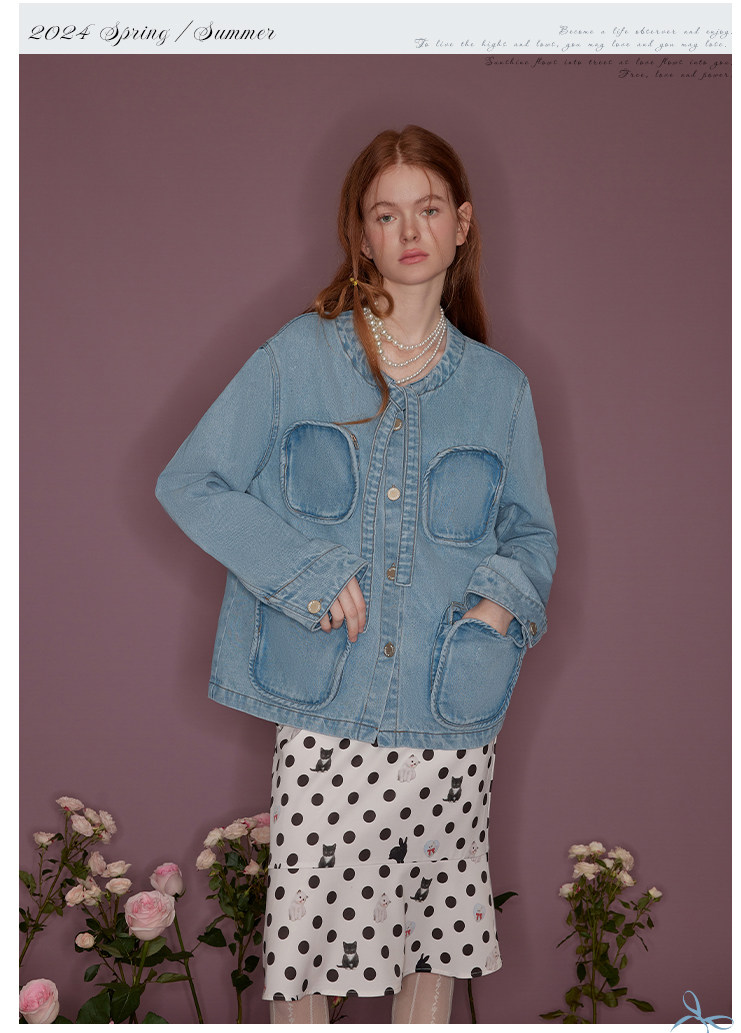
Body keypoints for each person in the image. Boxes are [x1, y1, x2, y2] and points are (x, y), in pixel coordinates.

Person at [156, 125, 557, 1024]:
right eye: (387, 213)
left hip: (449, 707)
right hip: (328, 708)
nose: (409, 230)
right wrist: (305, 569)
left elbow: (532, 531)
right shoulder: (299, 356)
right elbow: (191, 480)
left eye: (428, 208)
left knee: (433, 945)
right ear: (362, 235)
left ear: (462, 224)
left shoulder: (501, 389)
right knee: (306, 949)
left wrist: (498, 607)